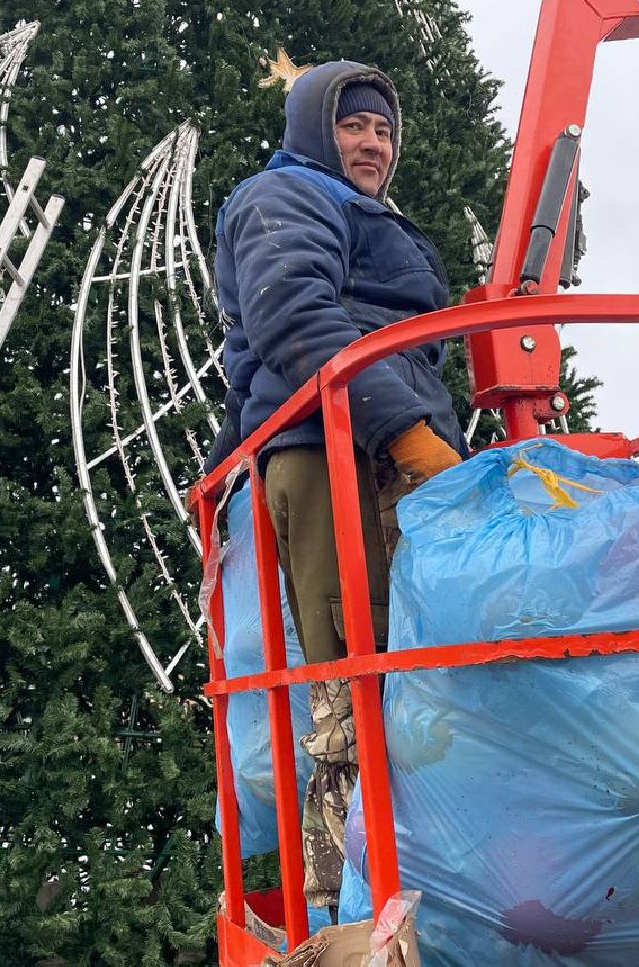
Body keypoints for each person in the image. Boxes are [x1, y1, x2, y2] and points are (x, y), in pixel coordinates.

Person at [209, 60, 466, 909]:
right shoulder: (285, 195)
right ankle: (357, 904)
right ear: (315, 132)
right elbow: (293, 318)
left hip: (372, 445)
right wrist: (407, 432)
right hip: (334, 451)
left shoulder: (357, 211)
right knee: (358, 673)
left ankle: (416, 882)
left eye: (384, 131)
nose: (373, 144)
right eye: (354, 125)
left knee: (409, 663)